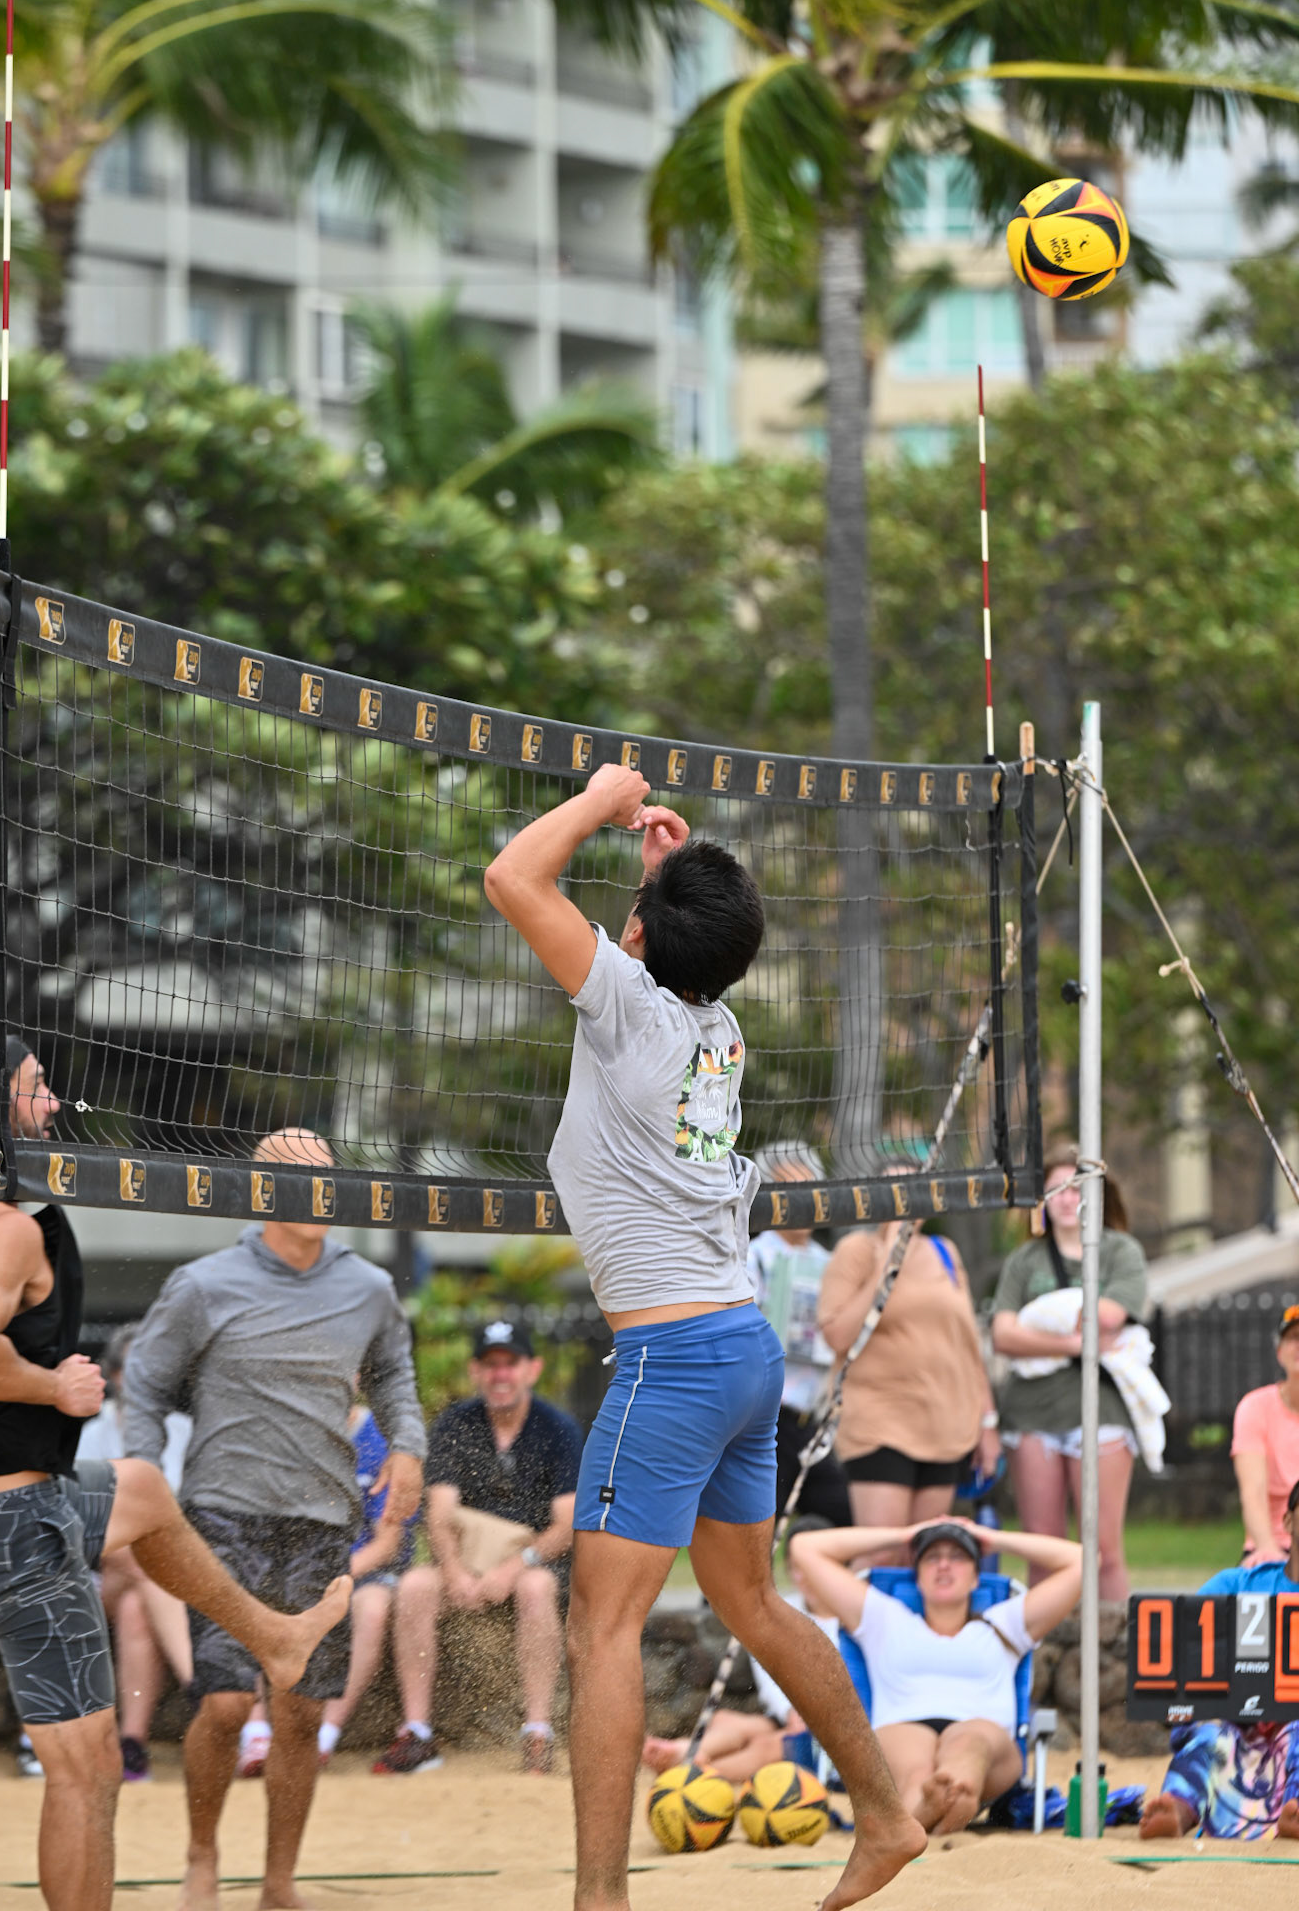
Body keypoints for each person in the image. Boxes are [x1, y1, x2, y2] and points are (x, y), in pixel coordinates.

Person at [484, 762, 925, 1911]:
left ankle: (600, 1897)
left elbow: (510, 875)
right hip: (740, 1346)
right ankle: (885, 1812)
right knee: (754, 1600)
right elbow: (667, 954)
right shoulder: (715, 1024)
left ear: (638, 939)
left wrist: (598, 796)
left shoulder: (629, 1002)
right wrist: (658, 877)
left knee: (604, 1622)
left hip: (673, 1360)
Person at [0, 1034, 351, 1911]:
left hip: (12, 1506)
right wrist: (53, 1387)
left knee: (138, 1487)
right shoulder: (4, 1230)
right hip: (10, 1526)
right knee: (88, 1768)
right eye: (38, 1090)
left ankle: (275, 1638)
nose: (58, 1104)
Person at [123, 1126, 425, 1911]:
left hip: (323, 1520)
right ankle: (200, 1857)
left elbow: (393, 1373)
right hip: (221, 1515)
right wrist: (145, 1472)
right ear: (263, 1190)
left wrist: (409, 1449)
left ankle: (279, 1882)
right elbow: (146, 1386)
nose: (320, 1192)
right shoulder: (203, 1283)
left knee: (297, 1715)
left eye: (328, 1177)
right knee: (224, 1705)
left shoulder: (366, 1286)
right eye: (300, 1178)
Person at [374, 1317, 580, 1775]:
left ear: (532, 1369)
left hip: (532, 1561)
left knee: (536, 1590)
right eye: (491, 1365)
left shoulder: (558, 1429)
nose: (500, 1374)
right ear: (476, 1371)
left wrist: (513, 1567)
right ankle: (417, 1732)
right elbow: (440, 1512)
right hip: (465, 1560)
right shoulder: (455, 1424)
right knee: (414, 1588)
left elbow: (567, 1525)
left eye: (510, 1363)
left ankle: (537, 1732)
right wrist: (453, 1572)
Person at [791, 1516, 1084, 1833]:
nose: (944, 1565)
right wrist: (901, 1535)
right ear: (917, 1578)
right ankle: (944, 1803)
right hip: (904, 1726)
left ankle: (951, 1792)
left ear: (976, 1578)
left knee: (970, 1743)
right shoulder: (884, 1618)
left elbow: (1082, 1560)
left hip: (985, 1737)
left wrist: (993, 1539)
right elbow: (805, 1548)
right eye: (932, 1558)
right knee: (915, 1768)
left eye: (958, 1557)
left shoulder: (1005, 1623)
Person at [990, 1141, 1150, 1601]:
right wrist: (1074, 1343)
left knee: (1102, 1551)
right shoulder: (1025, 1260)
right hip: (1032, 1417)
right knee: (1044, 1550)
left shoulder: (1121, 1251)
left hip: (1103, 1413)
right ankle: (1047, 1656)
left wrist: (1036, 1326)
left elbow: (1112, 1315)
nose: (1067, 1196)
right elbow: (1003, 1334)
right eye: (1056, 1187)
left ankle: (1112, 1659)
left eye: (1077, 1187)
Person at [1140, 1464, 1299, 1841]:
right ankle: (1179, 1810)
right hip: (1240, 1730)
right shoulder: (1235, 1585)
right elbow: (1180, 1654)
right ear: (1288, 1519)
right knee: (1210, 1730)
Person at [816, 1213, 1000, 1560]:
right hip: (880, 1421)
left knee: (925, 1556)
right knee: (882, 1553)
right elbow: (836, 1334)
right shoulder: (858, 1249)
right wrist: (887, 1260)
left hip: (944, 1424)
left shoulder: (944, 1251)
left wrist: (987, 1422)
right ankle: (857, 1616)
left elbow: (968, 1343)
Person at [641, 1514, 843, 1784]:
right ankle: (686, 1751)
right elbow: (768, 1673)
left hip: (834, 1728)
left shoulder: (854, 1616)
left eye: (813, 1568)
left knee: (767, 1744)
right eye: (795, 1568)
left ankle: (693, 1777)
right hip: (789, 1717)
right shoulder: (783, 1609)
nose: (804, 1577)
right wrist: (789, 1713)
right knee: (725, 1720)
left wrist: (808, 1717)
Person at [76, 1325, 194, 1781]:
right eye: (133, 1368)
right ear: (115, 1375)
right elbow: (89, 1529)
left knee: (134, 1611)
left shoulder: (186, 1431)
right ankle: (198, 1686)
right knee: (141, 1559)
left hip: (165, 1577)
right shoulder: (90, 1434)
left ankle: (132, 1743)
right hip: (101, 1571)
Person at [746, 1143, 852, 1528]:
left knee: (844, 1512)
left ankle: (819, 1585)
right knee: (754, 1533)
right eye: (790, 1188)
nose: (803, 1200)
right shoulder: (752, 1257)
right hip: (764, 1420)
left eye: (810, 1188)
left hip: (813, 1421)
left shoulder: (831, 1262)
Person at [311, 1400, 418, 1769]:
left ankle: (324, 1737)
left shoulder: (381, 1439)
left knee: (372, 1611)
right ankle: (258, 1734)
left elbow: (388, 1544)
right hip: (308, 1569)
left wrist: (336, 1574)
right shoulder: (297, 1429)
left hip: (365, 1572)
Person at [1233, 1303, 1299, 1562]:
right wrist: (1266, 1547)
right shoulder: (1255, 1407)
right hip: (1272, 1546)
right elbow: (1252, 1490)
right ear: (1279, 1353)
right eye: (1293, 1337)